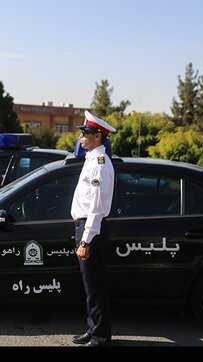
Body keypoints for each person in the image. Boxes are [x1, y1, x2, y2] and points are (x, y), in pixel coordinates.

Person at [70, 110, 115, 347]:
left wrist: (85, 241)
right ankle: (93, 329)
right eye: (82, 131)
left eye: (85, 132)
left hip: (91, 231)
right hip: (86, 227)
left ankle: (100, 337)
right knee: (90, 287)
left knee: (95, 288)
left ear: (98, 136)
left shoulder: (99, 163)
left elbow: (96, 207)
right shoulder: (91, 159)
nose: (81, 136)